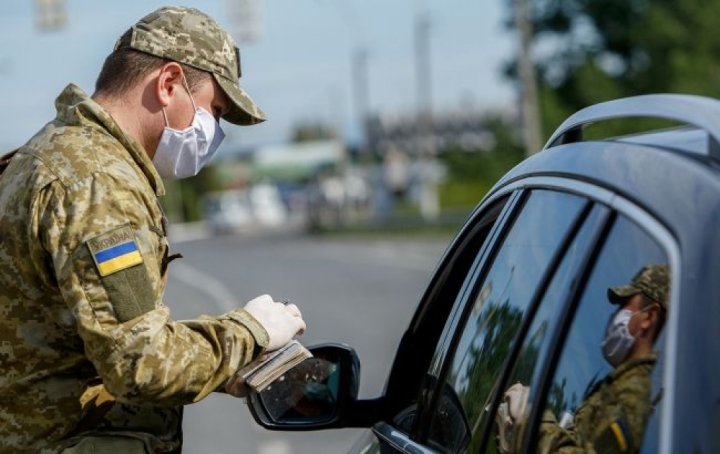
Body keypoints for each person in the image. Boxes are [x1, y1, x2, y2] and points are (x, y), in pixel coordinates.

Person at [0, 6, 305, 453]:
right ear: (167, 84)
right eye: (214, 111)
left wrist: (224, 366)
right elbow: (141, 365)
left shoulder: (48, 153)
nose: (214, 133)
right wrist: (251, 331)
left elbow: (76, 341)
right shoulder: (99, 182)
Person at [496, 264, 669, 453]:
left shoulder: (631, 398)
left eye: (625, 306)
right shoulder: (617, 385)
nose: (615, 316)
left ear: (648, 317)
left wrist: (532, 420)